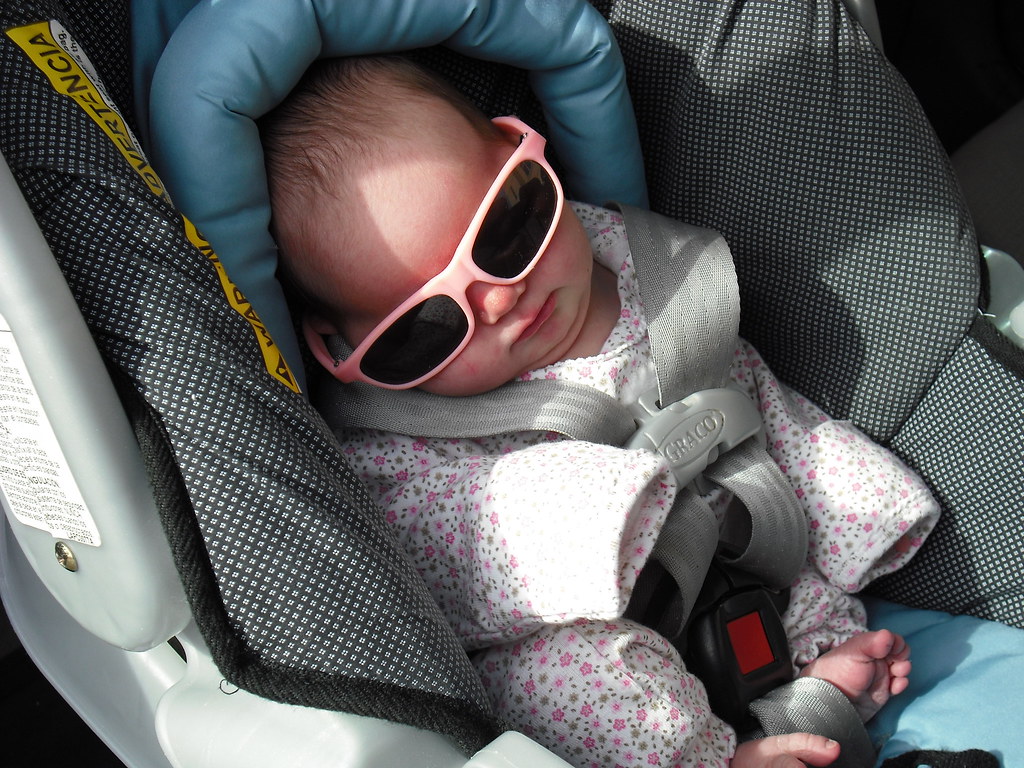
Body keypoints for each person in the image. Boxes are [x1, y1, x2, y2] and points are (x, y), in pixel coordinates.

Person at [260, 55, 938, 768]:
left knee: (793, 543)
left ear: (524, 152)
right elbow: (440, 547)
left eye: (507, 231)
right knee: (560, 682)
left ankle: (804, 668)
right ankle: (709, 757)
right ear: (348, 349)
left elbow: (754, 401)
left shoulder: (656, 277)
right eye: (428, 325)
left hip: (736, 559)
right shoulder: (400, 432)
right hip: (593, 632)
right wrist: (587, 508)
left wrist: (858, 507)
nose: (500, 300)